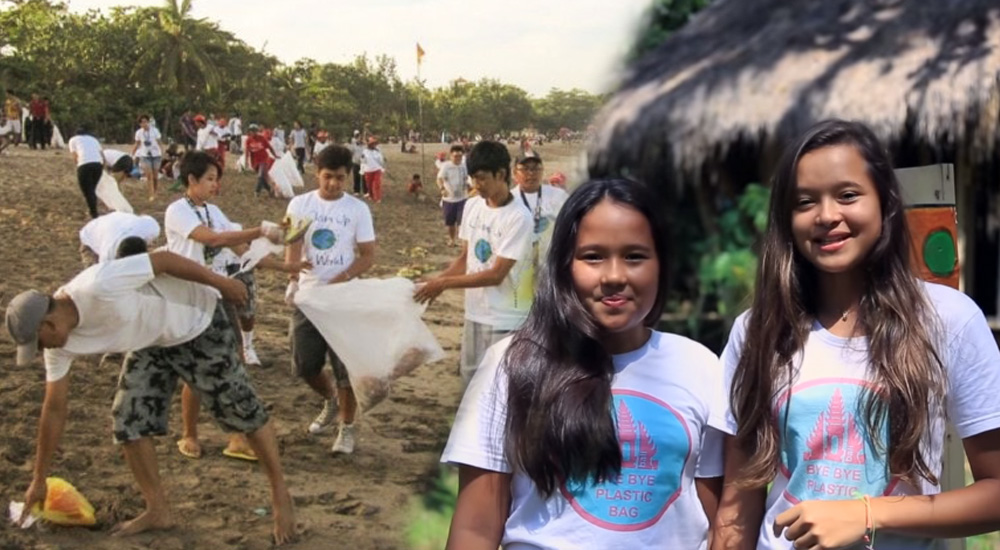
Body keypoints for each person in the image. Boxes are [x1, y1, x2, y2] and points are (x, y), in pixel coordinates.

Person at [713, 119, 1000, 550]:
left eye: (847, 195)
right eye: (805, 201)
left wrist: (866, 513)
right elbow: (739, 498)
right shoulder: (757, 330)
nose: (827, 216)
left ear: (884, 204)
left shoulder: (949, 319)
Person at [442, 178, 726, 549]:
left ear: (661, 265)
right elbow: (475, 529)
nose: (613, 277)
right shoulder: (511, 364)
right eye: (592, 256)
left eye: (635, 256)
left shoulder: (700, 366)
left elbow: (715, 517)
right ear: (564, 266)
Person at [5, 251, 297, 544]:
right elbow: (54, 408)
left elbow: (164, 261)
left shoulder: (97, 286)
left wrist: (221, 283)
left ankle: (280, 494)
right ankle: (158, 509)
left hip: (197, 322)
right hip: (150, 342)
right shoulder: (59, 347)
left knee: (243, 411)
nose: (42, 351)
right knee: (128, 420)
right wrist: (38, 478)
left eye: (39, 344)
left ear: (48, 324)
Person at [164, 151, 294, 461]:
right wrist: (260, 230)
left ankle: (236, 436)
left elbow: (242, 251)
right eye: (209, 179)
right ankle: (190, 433)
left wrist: (288, 267)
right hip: (190, 296)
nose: (214, 185)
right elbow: (212, 240)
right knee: (196, 371)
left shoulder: (213, 210)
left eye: (216, 179)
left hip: (218, 294)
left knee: (232, 364)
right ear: (191, 179)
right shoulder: (178, 211)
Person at [414, 141, 534, 387]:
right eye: (473, 179)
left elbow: (496, 274)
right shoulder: (472, 206)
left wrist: (443, 283)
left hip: (506, 319)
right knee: (470, 382)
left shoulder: (519, 217)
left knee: (499, 388)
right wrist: (434, 282)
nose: (475, 185)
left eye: (481, 179)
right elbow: (465, 259)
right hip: (475, 314)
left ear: (501, 174)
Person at [284, 144, 376, 454]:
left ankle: (346, 428)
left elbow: (367, 256)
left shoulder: (357, 209)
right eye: (327, 177)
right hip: (309, 296)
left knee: (344, 368)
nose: (333, 184)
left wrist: (342, 279)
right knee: (305, 363)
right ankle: (330, 400)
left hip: (344, 298)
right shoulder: (300, 204)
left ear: (349, 176)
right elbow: (293, 245)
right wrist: (293, 279)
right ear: (316, 174)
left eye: (339, 178)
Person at [511, 153, 569, 271]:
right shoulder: (508, 200)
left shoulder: (559, 196)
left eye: (536, 168)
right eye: (525, 169)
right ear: (514, 172)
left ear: (542, 171)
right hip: (517, 269)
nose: (531, 173)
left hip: (550, 266)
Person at [79, 211, 160, 266]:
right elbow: (103, 276)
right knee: (94, 279)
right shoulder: (108, 253)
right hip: (90, 237)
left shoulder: (151, 228)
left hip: (116, 223)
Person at [67, 126, 104, 219]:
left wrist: (78, 166)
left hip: (85, 164)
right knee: (92, 189)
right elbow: (101, 154)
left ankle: (94, 213)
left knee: (87, 190)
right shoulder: (93, 139)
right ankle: (93, 210)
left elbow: (75, 156)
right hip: (98, 165)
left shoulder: (73, 140)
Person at [436, 145, 470, 247]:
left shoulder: (464, 166)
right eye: (455, 156)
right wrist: (442, 189)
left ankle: (462, 241)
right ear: (451, 156)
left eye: (459, 156)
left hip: (462, 198)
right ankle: (452, 239)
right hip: (449, 199)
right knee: (450, 223)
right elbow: (439, 179)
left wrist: (469, 186)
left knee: (462, 222)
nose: (457, 158)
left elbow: (467, 178)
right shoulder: (446, 166)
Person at [131, 114, 163, 202]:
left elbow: (159, 142)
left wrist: (162, 151)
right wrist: (132, 153)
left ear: (148, 122)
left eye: (145, 122)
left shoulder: (155, 131)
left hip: (156, 155)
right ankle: (151, 194)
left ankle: (155, 192)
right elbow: (137, 144)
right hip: (145, 155)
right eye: (142, 122)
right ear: (140, 124)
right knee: (149, 175)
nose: (144, 124)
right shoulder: (138, 133)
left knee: (155, 176)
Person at [244, 123, 279, 198]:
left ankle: (257, 192)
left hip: (264, 159)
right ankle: (269, 190)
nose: (252, 133)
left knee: (260, 176)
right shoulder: (248, 140)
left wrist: (275, 155)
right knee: (263, 178)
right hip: (255, 161)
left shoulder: (262, 138)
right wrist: (246, 162)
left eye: (254, 131)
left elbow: (270, 147)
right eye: (251, 131)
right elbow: (247, 152)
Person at [360, 136, 387, 203]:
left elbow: (381, 161)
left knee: (377, 184)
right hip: (368, 170)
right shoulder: (365, 151)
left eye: (374, 143)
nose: (373, 145)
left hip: (377, 170)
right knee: (369, 185)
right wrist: (362, 160)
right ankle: (371, 195)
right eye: (372, 143)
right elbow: (363, 161)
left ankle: (378, 198)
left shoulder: (378, 151)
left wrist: (382, 166)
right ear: (369, 144)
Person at [349, 131, 365, 196]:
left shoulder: (364, 146)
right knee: (356, 177)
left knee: (364, 178)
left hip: (363, 164)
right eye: (359, 138)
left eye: (361, 139)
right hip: (355, 163)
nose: (360, 140)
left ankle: (365, 191)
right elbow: (351, 153)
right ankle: (356, 191)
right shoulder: (353, 146)